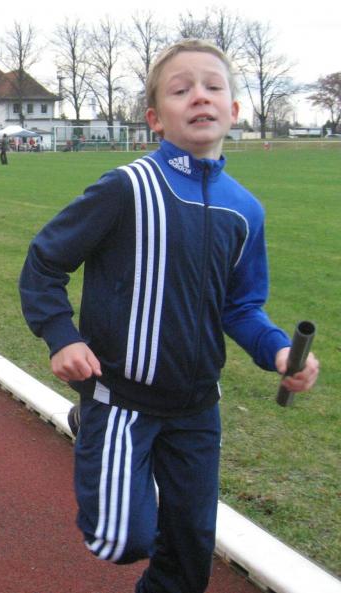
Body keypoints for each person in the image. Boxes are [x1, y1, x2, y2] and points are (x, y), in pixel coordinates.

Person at [18, 39, 319, 593]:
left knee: (188, 558)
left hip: (198, 408)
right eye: (182, 90)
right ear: (155, 118)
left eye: (213, 87)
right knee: (121, 541)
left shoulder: (245, 210)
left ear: (234, 110)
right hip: (121, 397)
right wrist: (61, 336)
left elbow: (241, 306)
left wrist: (279, 350)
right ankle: (90, 424)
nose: (199, 97)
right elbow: (44, 262)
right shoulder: (126, 188)